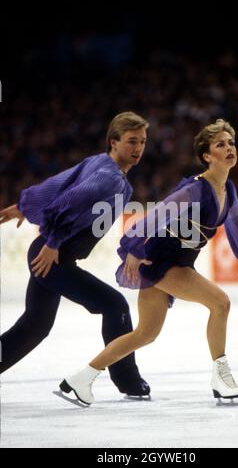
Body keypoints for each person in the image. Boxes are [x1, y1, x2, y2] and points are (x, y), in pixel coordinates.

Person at [60, 119, 238, 405]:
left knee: (145, 334)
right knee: (220, 303)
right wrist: (135, 248)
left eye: (231, 143)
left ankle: (79, 379)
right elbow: (156, 215)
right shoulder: (196, 189)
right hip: (160, 261)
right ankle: (221, 376)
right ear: (207, 156)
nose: (229, 148)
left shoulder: (226, 190)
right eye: (221, 144)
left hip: (175, 263)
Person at [0, 111, 151, 399]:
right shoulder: (111, 178)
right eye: (132, 141)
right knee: (114, 304)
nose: (138, 148)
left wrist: (24, 205)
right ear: (114, 142)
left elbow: (59, 182)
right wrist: (54, 242)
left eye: (142, 141)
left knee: (35, 325)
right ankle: (129, 382)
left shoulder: (99, 163)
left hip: (51, 252)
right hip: (53, 255)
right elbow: (70, 200)